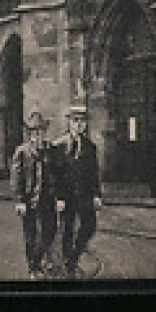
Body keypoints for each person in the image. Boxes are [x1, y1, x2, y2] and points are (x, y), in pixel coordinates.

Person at [8, 111, 62, 277]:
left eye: (41, 132)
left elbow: (59, 176)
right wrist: (19, 201)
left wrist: (59, 198)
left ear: (44, 133)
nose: (38, 136)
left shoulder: (52, 150)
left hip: (48, 200)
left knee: (50, 231)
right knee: (30, 235)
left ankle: (38, 261)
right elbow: (16, 179)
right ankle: (33, 268)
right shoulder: (22, 152)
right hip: (29, 200)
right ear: (29, 134)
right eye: (34, 132)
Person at [54, 104, 103, 277]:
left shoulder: (90, 146)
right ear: (69, 123)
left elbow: (94, 173)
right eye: (75, 120)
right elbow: (55, 175)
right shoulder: (58, 146)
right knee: (67, 229)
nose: (79, 124)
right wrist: (58, 198)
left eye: (82, 121)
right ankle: (68, 263)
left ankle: (73, 257)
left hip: (85, 195)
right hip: (66, 196)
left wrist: (97, 195)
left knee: (89, 226)